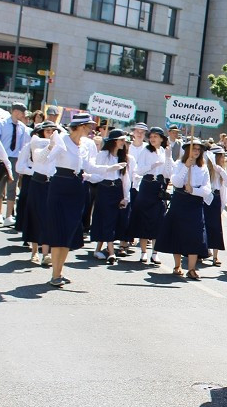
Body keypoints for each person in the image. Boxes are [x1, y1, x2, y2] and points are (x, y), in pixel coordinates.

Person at [37, 113, 125, 287]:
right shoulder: (62, 140)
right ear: (79, 126)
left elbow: (89, 166)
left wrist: (110, 168)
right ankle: (55, 274)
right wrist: (50, 146)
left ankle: (59, 272)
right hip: (60, 185)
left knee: (69, 231)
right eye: (88, 126)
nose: (91, 129)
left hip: (77, 187)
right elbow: (42, 160)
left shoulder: (86, 145)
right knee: (58, 230)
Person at [155, 139, 211, 280]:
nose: (196, 152)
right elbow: (177, 182)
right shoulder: (180, 164)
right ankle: (177, 265)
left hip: (195, 203)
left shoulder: (203, 168)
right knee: (178, 232)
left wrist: (194, 190)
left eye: (199, 150)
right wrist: (186, 167)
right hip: (180, 201)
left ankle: (191, 269)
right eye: (194, 149)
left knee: (195, 234)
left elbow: (207, 189)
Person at [88, 129, 133, 265]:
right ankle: (111, 252)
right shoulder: (103, 154)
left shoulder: (123, 156)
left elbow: (125, 178)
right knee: (106, 218)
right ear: (114, 141)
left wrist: (126, 196)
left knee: (113, 219)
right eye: (121, 140)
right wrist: (109, 169)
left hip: (117, 189)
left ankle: (98, 249)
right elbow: (95, 169)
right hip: (104, 189)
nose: (123, 143)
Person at [17, 121, 58, 266]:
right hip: (36, 182)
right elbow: (34, 160)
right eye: (47, 131)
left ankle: (46, 254)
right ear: (41, 132)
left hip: (51, 184)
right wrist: (50, 146)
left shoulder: (58, 145)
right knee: (35, 215)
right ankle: (34, 251)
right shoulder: (33, 145)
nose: (50, 134)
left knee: (49, 218)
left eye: (53, 131)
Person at [130, 127, 171, 266]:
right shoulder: (146, 151)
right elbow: (138, 170)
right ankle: (143, 252)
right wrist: (153, 165)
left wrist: (168, 157)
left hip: (159, 186)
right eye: (151, 136)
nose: (153, 139)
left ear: (161, 138)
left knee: (158, 219)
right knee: (144, 217)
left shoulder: (164, 152)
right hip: (147, 184)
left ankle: (155, 252)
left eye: (156, 136)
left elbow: (168, 173)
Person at [0, 104, 31, 226]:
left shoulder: (23, 127)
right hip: (2, 157)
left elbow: (25, 145)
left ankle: (8, 215)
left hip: (15, 158)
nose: (23, 115)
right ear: (15, 112)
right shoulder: (1, 123)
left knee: (12, 186)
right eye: (21, 113)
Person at [203, 145, 227, 267]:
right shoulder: (205, 168)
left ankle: (215, 256)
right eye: (220, 156)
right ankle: (204, 250)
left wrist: (223, 204)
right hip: (206, 198)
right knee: (204, 225)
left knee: (216, 227)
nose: (222, 158)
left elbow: (226, 187)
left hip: (215, 199)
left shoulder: (221, 170)